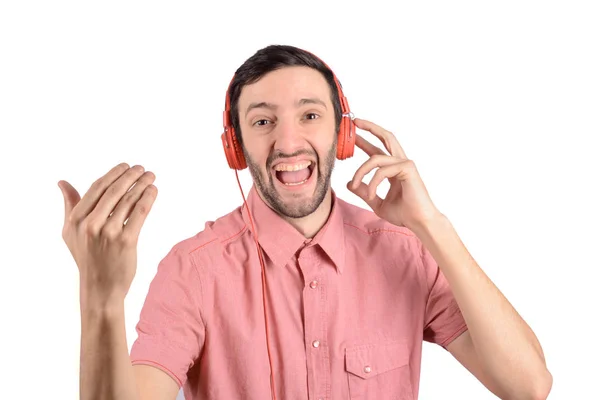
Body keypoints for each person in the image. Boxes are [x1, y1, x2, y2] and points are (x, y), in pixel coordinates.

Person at [58, 44, 552, 400]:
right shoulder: (192, 270)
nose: (289, 143)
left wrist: (431, 225)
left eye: (310, 116)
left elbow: (528, 386)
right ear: (236, 147)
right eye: (263, 121)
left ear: (342, 133)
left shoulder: (403, 251)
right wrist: (100, 301)